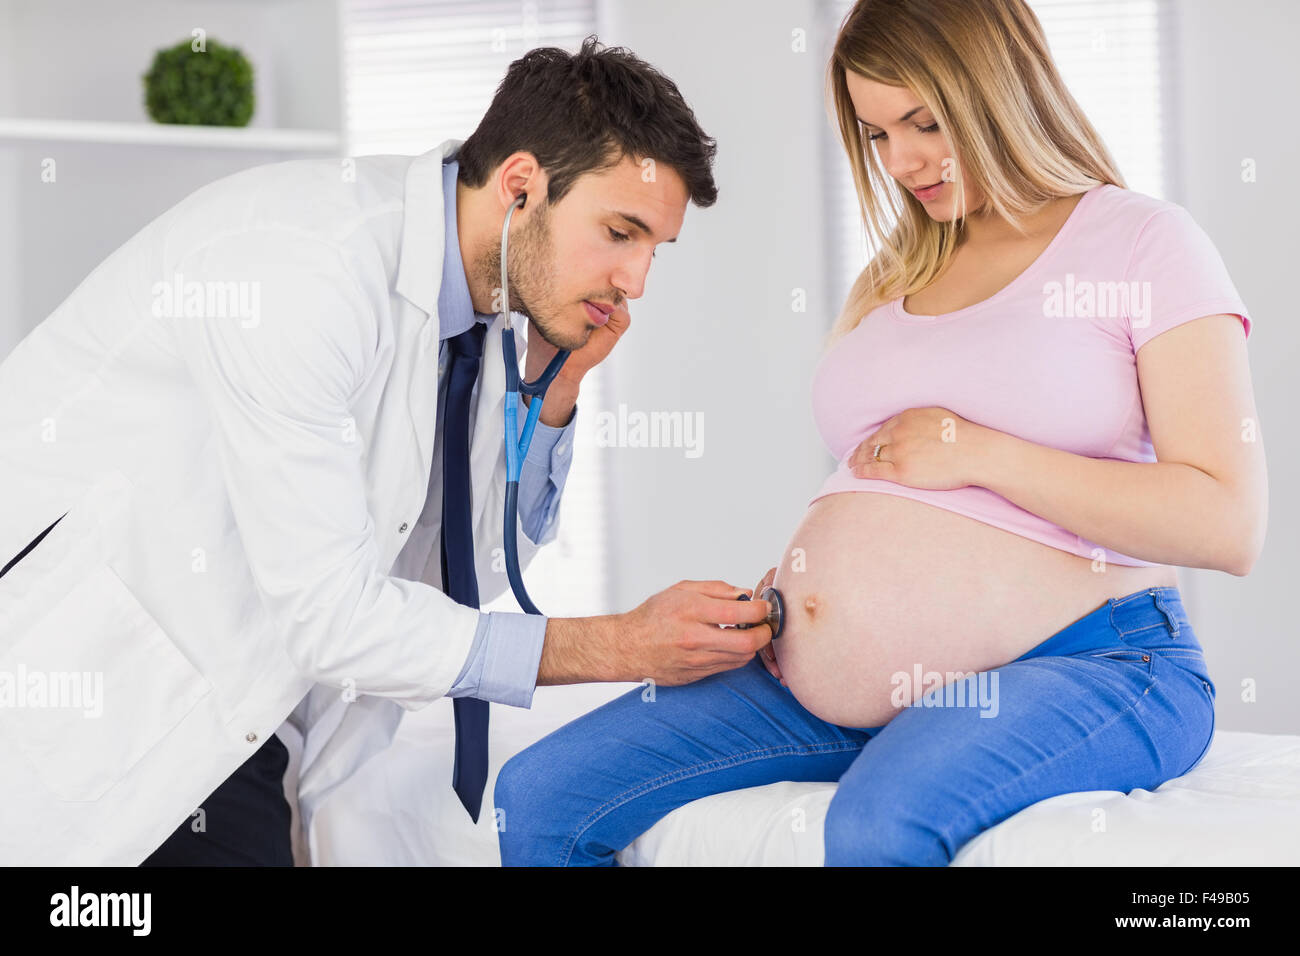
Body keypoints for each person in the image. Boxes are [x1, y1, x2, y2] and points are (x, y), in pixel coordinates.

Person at [493, 0, 1267, 866]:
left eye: (924, 122)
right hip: (808, 676)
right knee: (540, 796)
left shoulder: (1144, 243)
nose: (903, 161)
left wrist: (979, 452)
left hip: (1102, 659)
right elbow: (881, 485)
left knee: (875, 825)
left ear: (1000, 87)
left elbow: (1227, 522)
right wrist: (807, 591)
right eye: (875, 135)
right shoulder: (899, 270)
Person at [0, 36, 776, 866]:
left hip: (244, 703)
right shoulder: (303, 267)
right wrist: (620, 644)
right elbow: (336, 615)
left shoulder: (483, 315)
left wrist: (553, 395)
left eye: (653, 249)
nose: (636, 282)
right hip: (104, 687)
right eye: (621, 233)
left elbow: (469, 560)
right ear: (521, 186)